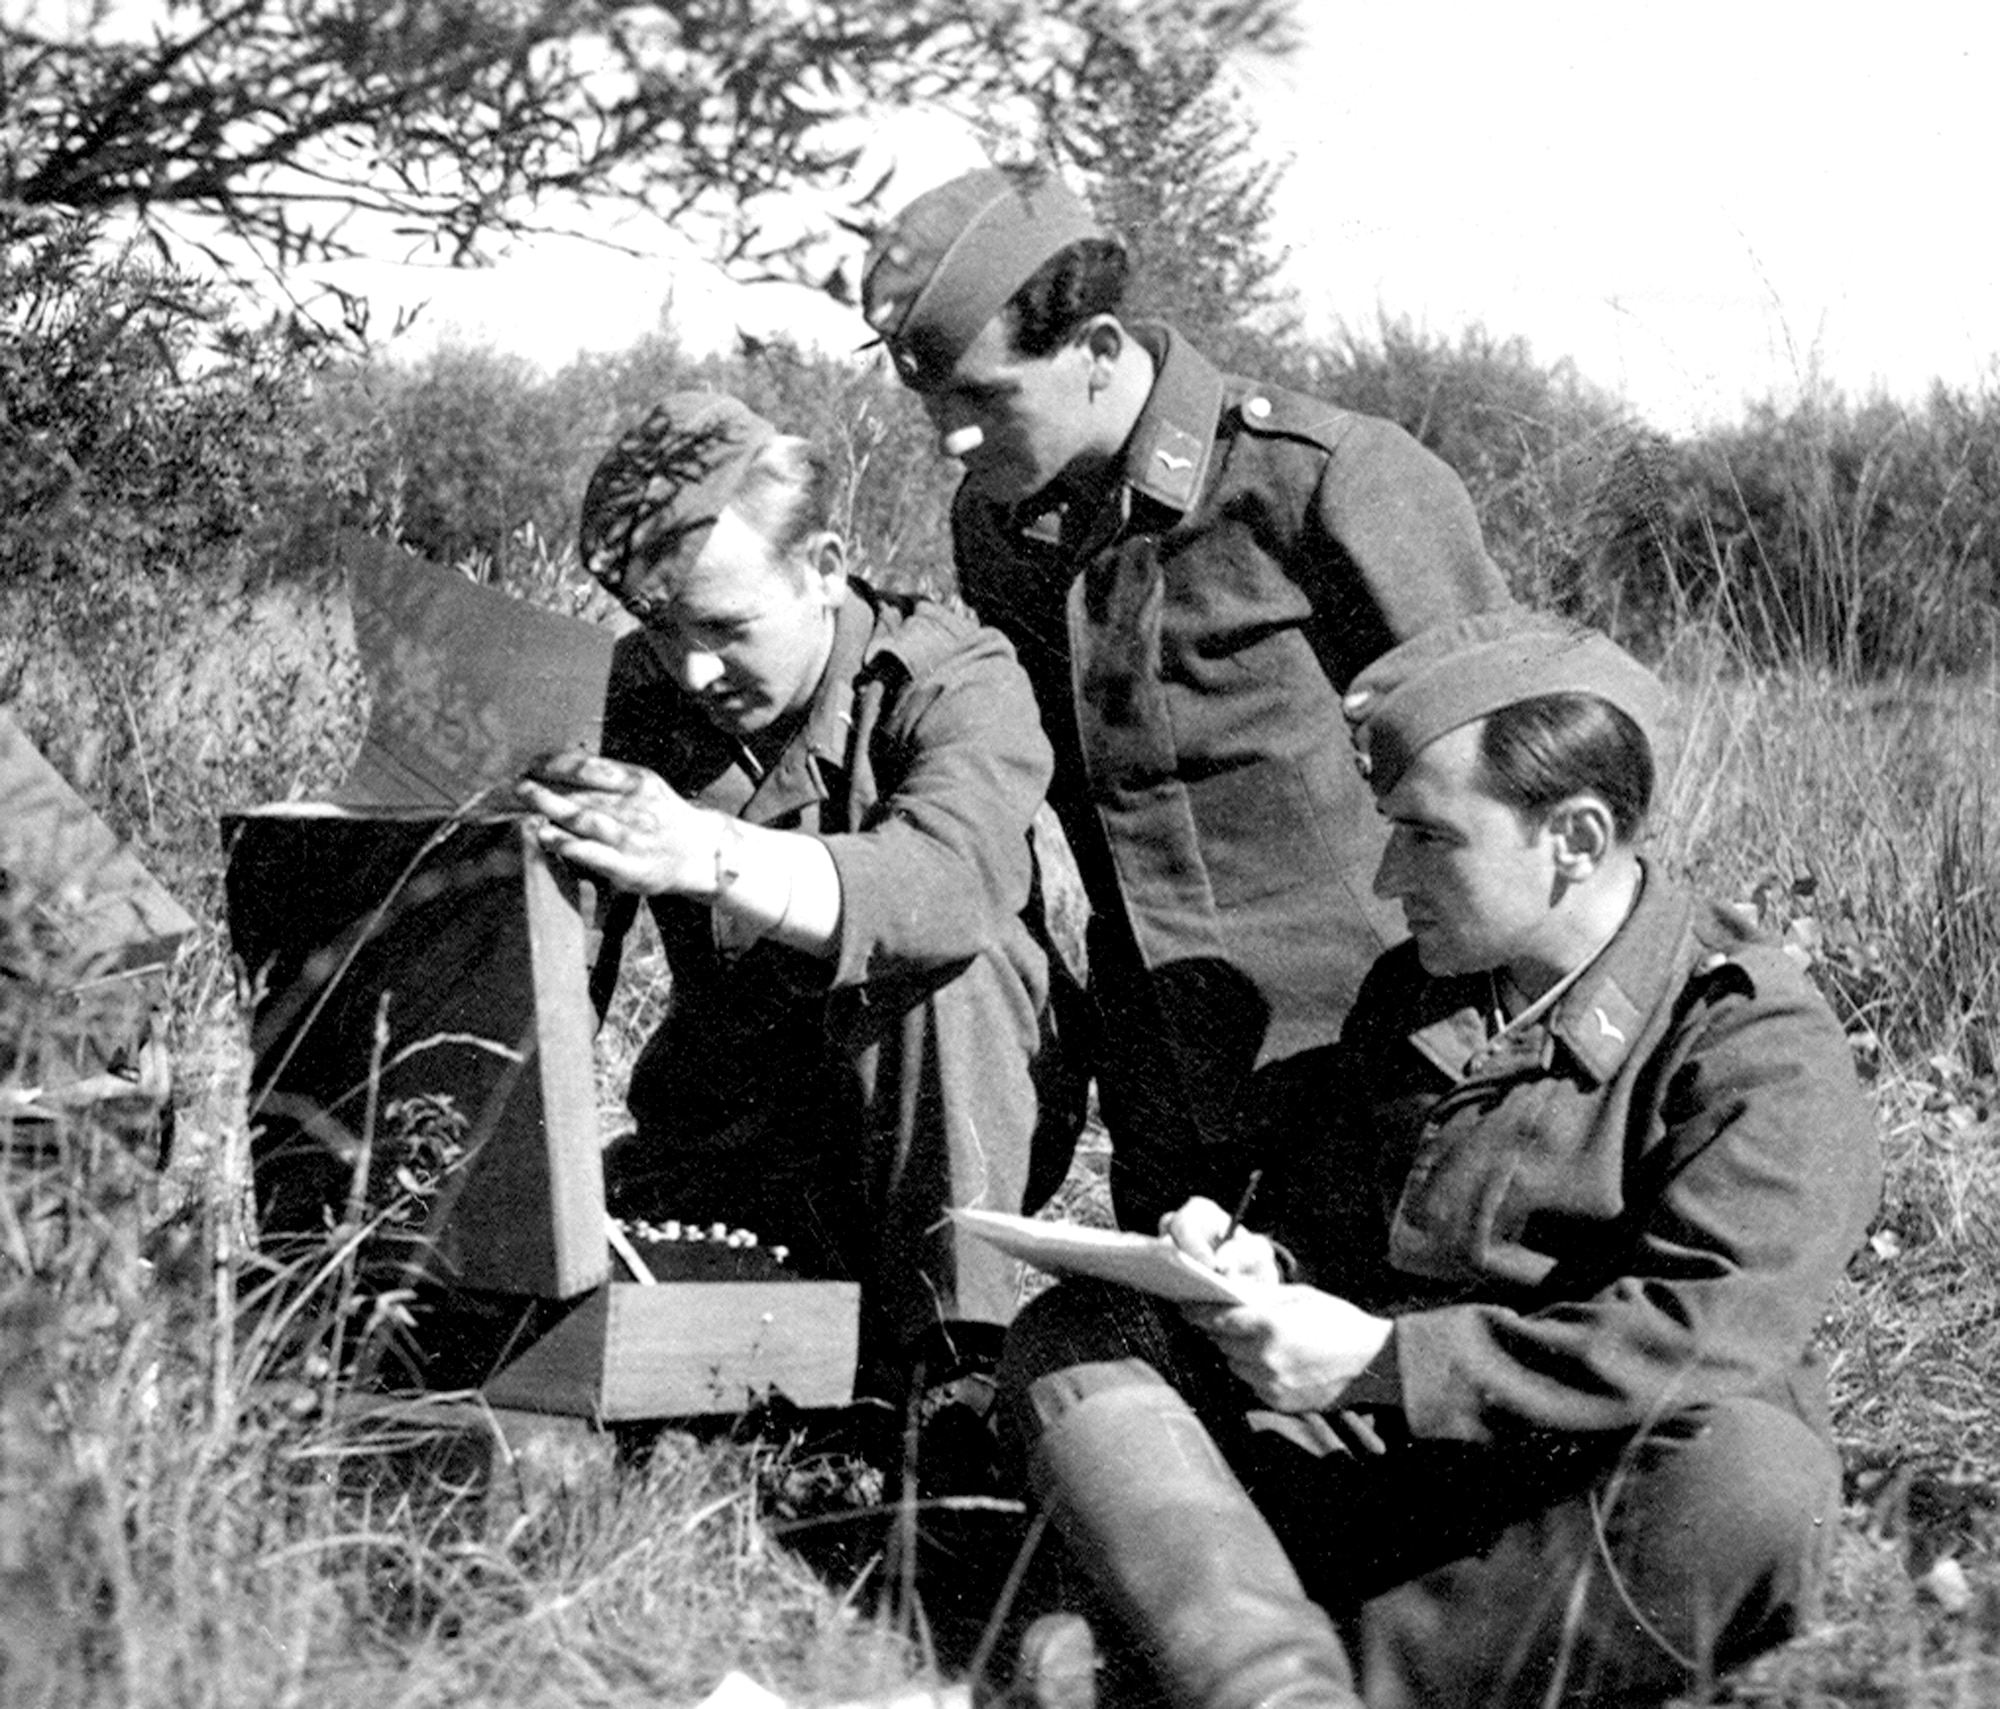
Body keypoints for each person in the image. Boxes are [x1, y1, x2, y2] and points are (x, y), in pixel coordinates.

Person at [991, 610, 1882, 1709]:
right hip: (1381, 1457)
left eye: (1425, 835)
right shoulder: (1419, 987)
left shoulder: (1748, 1042)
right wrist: (1250, 1264)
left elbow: (1708, 1334)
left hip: (1572, 1479)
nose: (1385, 874)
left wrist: (1383, 1362)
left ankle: (1227, 1669)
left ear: (1574, 836)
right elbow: (1327, 1226)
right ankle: (1265, 1680)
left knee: (1753, 1486)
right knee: (1077, 1334)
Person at [862, 166, 1515, 1231]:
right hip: (1169, 1088)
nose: (950, 440)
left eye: (983, 398)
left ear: (1099, 350)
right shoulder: (999, 526)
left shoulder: (1323, 480)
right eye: (930, 405)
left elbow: (1516, 774)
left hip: (1375, 1065)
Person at [517, 391, 1075, 1400]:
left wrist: (706, 852)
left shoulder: (950, 676)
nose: (693, 669)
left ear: (822, 568)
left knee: (948, 963)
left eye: (726, 627)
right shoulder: (633, 694)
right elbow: (556, 972)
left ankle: (954, 1362)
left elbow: (946, 889)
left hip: (932, 1145)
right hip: (736, 1136)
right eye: (661, 626)